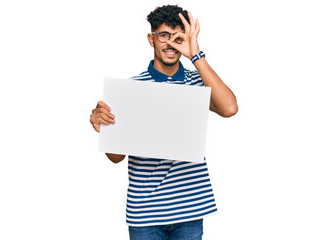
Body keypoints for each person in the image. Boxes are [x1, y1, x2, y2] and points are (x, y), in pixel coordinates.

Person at [90, 4, 238, 240]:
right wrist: (104, 127)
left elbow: (230, 108)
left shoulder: (199, 82)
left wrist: (195, 54)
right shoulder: (130, 89)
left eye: (178, 37)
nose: (171, 44)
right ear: (151, 39)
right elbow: (116, 157)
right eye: (164, 36)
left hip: (190, 209)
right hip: (145, 214)